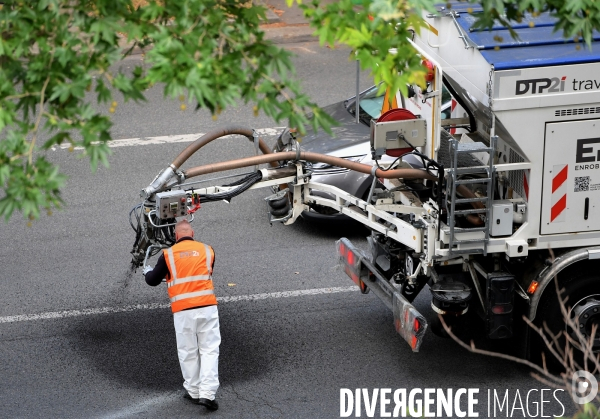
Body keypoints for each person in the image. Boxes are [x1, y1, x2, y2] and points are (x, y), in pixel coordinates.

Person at [143, 219, 220, 411]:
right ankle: (208, 395)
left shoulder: (168, 254)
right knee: (209, 350)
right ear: (192, 234)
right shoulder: (207, 250)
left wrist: (147, 271)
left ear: (175, 236)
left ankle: (193, 392)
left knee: (187, 351)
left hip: (183, 311)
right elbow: (207, 271)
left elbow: (153, 281)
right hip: (207, 307)